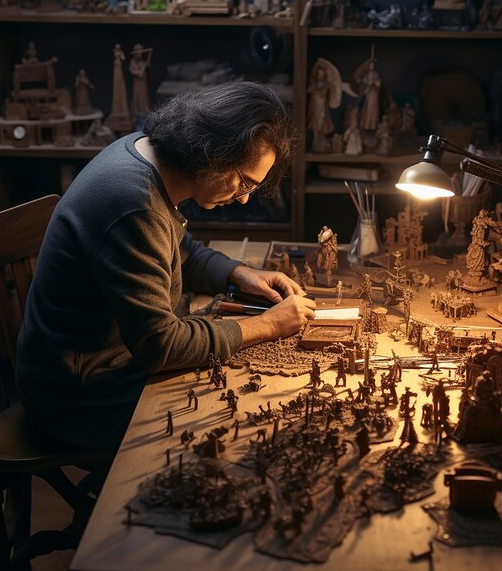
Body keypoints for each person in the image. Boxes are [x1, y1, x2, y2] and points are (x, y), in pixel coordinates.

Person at [17, 81, 315, 451]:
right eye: (243, 182)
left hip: (108, 365)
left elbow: (179, 250)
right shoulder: (135, 202)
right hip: (82, 396)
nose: (243, 199)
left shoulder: (143, 151)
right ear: (212, 152)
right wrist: (268, 324)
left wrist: (239, 273)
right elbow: (162, 347)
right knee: (243, 428)